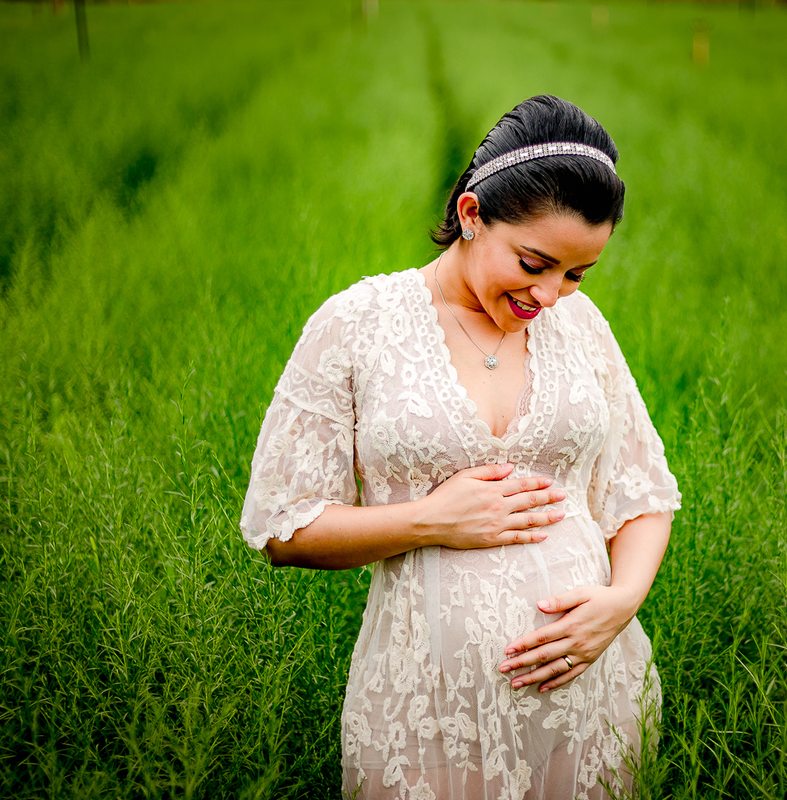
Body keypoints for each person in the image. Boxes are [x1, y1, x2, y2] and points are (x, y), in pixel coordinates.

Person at [240, 95, 681, 800]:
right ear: (472, 216)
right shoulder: (358, 326)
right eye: (534, 262)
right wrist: (433, 520)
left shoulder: (582, 326)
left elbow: (641, 494)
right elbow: (282, 525)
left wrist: (622, 600)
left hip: (587, 701)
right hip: (426, 712)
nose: (550, 294)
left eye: (575, 274)